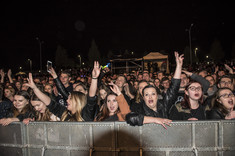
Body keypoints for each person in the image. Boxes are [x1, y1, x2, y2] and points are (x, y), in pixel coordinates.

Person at [25, 62, 100, 122]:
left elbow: (91, 98)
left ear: (77, 101)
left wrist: (94, 78)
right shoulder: (64, 113)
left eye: (70, 98)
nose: (66, 100)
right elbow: (49, 102)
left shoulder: (86, 114)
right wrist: (35, 88)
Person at [126, 52, 183, 129]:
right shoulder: (139, 108)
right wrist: (155, 120)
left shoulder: (164, 105)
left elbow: (173, 89)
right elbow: (130, 118)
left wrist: (179, 66)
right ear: (143, 97)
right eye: (146, 94)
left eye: (153, 94)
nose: (150, 97)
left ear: (157, 95)